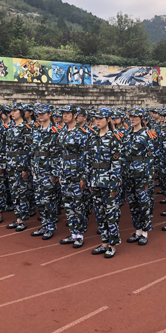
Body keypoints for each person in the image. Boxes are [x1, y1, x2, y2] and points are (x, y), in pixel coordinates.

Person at [87, 108, 124, 258]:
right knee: (99, 214)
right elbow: (89, 160)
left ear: (108, 120)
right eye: (96, 118)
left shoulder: (114, 138)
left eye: (100, 118)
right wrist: (89, 180)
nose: (97, 121)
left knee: (111, 214)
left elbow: (117, 163)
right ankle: (104, 242)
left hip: (108, 182)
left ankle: (112, 244)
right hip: (95, 180)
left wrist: (115, 184)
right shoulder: (93, 137)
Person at [57, 104, 90, 248]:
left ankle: (80, 235)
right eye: (63, 113)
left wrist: (83, 176)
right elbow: (61, 154)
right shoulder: (62, 131)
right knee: (68, 205)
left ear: (75, 115)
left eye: (68, 113)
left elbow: (85, 156)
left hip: (76, 173)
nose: (65, 116)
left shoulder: (81, 133)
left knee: (78, 205)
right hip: (65, 173)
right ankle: (73, 233)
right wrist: (60, 172)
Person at [122, 108, 155, 245]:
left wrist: (148, 178)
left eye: (135, 117)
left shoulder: (147, 134)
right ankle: (137, 230)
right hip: (129, 174)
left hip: (141, 174)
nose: (132, 119)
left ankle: (145, 232)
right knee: (133, 204)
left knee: (143, 203)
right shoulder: (127, 133)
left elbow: (150, 157)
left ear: (141, 118)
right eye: (131, 116)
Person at [30, 105, 62, 240]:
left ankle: (50, 227)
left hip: (48, 172)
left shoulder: (55, 131)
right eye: (38, 114)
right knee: (39, 201)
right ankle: (44, 225)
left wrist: (55, 173)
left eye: (43, 113)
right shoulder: (36, 130)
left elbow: (57, 154)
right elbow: (34, 152)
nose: (40, 116)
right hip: (38, 171)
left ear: (50, 114)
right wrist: (33, 168)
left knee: (49, 201)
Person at [4, 103, 33, 232]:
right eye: (11, 111)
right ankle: (18, 217)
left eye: (15, 111)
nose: (12, 113)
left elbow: (28, 150)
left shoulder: (25, 128)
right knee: (14, 192)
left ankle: (23, 219)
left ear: (21, 112)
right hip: (11, 163)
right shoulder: (10, 127)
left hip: (20, 164)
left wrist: (25, 168)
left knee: (22, 192)